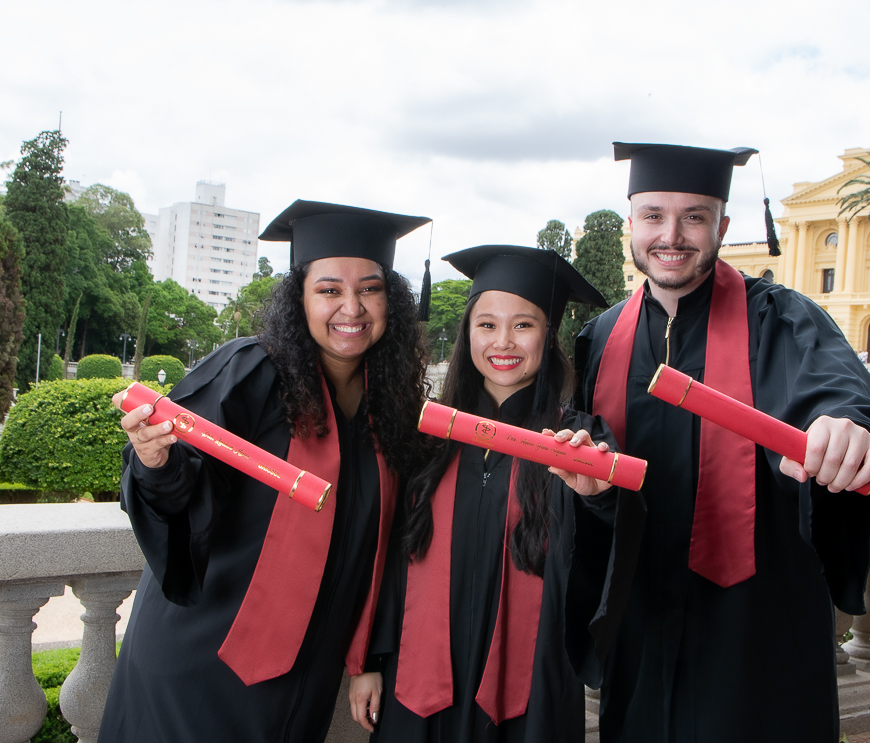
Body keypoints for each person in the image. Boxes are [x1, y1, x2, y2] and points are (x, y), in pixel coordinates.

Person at [572, 144, 870, 743]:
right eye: (653, 216)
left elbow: (841, 397)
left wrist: (847, 430)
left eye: (694, 216)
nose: (672, 235)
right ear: (630, 226)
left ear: (722, 226)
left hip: (756, 628)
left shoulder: (786, 321)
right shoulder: (599, 337)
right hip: (641, 624)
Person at [98, 200, 432, 742]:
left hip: (308, 666)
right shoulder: (249, 373)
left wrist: (367, 657)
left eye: (369, 288)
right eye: (329, 290)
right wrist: (155, 459)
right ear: (298, 298)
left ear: (389, 299)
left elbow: (389, 543)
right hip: (206, 656)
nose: (351, 306)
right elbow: (182, 487)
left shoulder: (389, 409)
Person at [350, 245, 645, 743]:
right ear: (467, 334)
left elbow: (613, 553)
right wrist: (371, 660)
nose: (502, 341)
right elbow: (391, 557)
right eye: (486, 324)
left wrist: (598, 497)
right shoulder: (430, 437)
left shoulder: (577, 442)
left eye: (523, 325)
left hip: (531, 686)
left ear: (548, 336)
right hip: (416, 683)